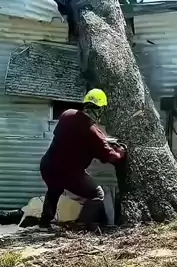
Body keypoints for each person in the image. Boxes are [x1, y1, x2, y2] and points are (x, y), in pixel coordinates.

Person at [39, 89, 127, 228]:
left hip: (48, 166)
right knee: (97, 194)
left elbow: (77, 137)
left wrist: (101, 141)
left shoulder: (67, 115)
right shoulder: (94, 134)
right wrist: (121, 151)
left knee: (54, 189)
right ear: (101, 109)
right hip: (69, 173)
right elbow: (112, 157)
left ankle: (44, 224)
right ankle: (82, 225)